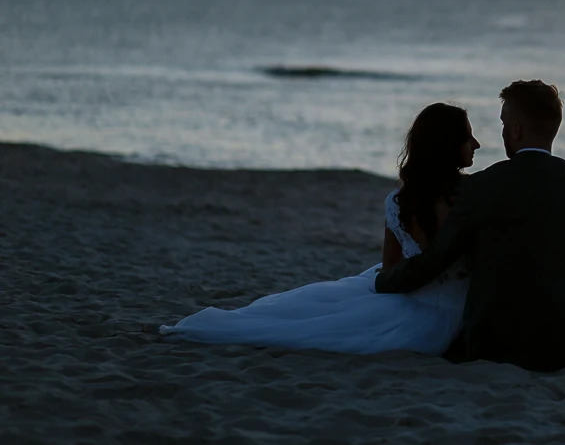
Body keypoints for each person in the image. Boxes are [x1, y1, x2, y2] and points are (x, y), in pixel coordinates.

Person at [375, 80, 565, 372]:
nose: (501, 132)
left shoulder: (483, 186)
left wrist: (382, 281)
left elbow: (434, 261)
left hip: (495, 345)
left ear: (516, 130)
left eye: (503, 123)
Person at [160, 103, 480, 355]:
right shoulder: (474, 195)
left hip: (404, 293)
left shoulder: (399, 201)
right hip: (443, 314)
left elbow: (390, 271)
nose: (477, 144)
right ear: (448, 144)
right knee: (322, 322)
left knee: (318, 311)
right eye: (469, 136)